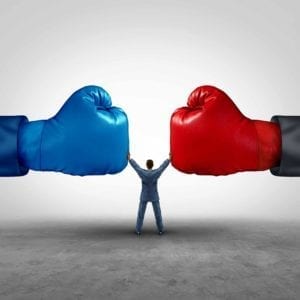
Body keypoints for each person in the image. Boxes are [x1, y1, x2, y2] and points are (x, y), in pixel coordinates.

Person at [128, 154, 170, 235]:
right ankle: (160, 230)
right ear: (152, 165)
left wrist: (130, 159)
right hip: (154, 196)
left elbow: (136, 167)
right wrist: (169, 159)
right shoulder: (156, 173)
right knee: (158, 214)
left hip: (144, 196)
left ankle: (138, 230)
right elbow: (162, 167)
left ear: (146, 165)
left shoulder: (142, 173)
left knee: (141, 214)